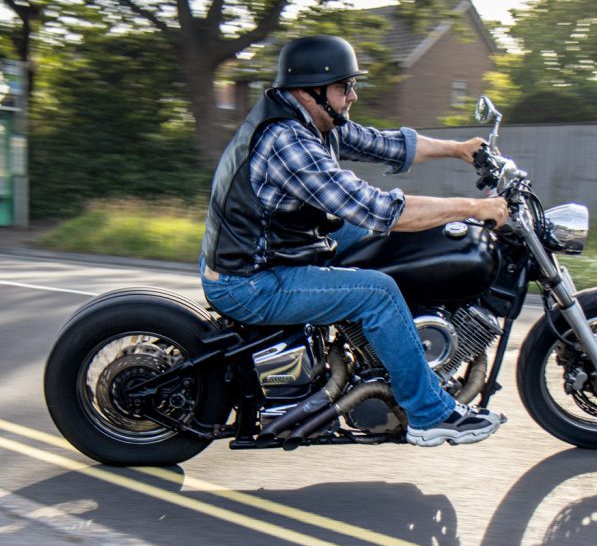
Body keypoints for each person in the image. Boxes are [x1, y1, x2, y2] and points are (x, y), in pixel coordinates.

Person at [200, 35, 508, 446]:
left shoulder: (313, 123)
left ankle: (388, 350)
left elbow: (386, 144)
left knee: (379, 242)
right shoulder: (288, 141)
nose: (353, 95)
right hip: (251, 281)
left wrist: (459, 148)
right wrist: (471, 208)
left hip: (273, 249)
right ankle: (430, 413)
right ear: (311, 90)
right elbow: (378, 210)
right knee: (377, 291)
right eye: (344, 87)